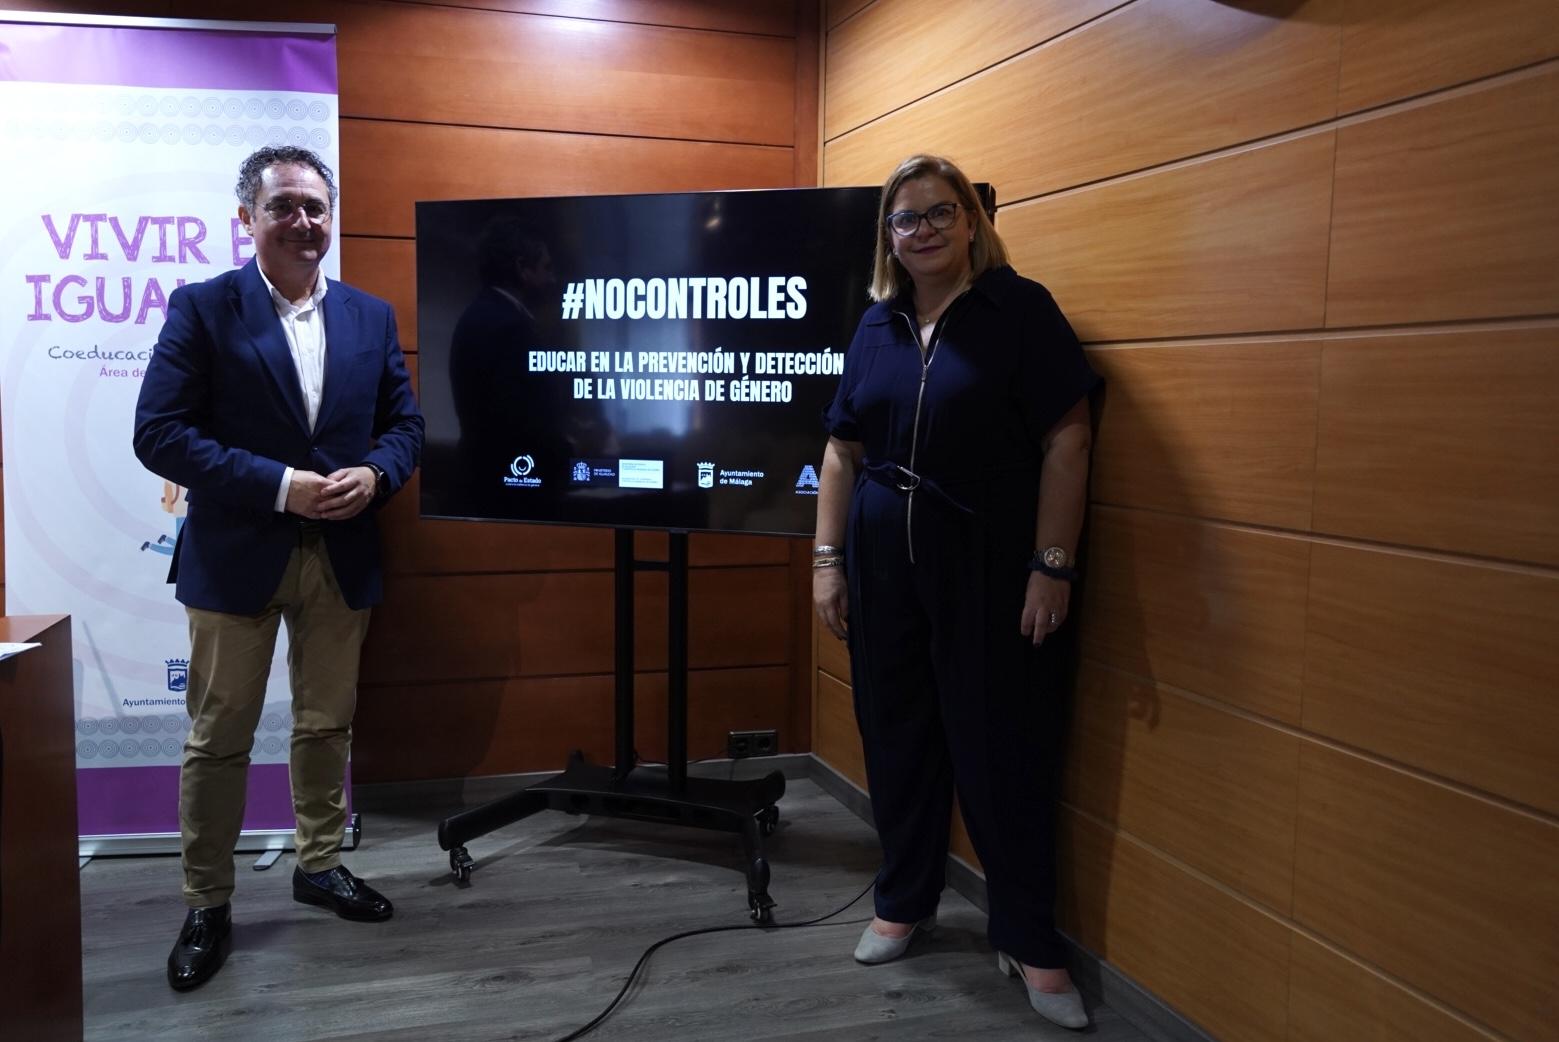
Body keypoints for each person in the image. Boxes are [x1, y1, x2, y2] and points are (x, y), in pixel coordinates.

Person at [813, 154, 1099, 1031]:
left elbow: (1068, 438)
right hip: (879, 561)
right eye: (905, 218)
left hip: (986, 561)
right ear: (888, 237)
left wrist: (1051, 564)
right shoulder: (876, 323)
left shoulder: (1021, 310)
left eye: (941, 212)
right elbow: (840, 450)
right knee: (895, 734)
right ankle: (903, 902)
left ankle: (1028, 939)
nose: (924, 230)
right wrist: (826, 560)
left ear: (972, 221)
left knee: (1000, 746)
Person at [133, 145, 424, 991]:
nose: (302, 221)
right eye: (282, 206)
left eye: (315, 207)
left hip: (342, 551)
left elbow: (403, 426)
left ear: (331, 216)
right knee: (219, 736)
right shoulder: (202, 307)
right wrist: (278, 485)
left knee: (326, 723)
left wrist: (376, 474)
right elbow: (159, 434)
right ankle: (208, 902)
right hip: (236, 553)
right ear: (247, 219)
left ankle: (318, 864)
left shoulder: (369, 315)